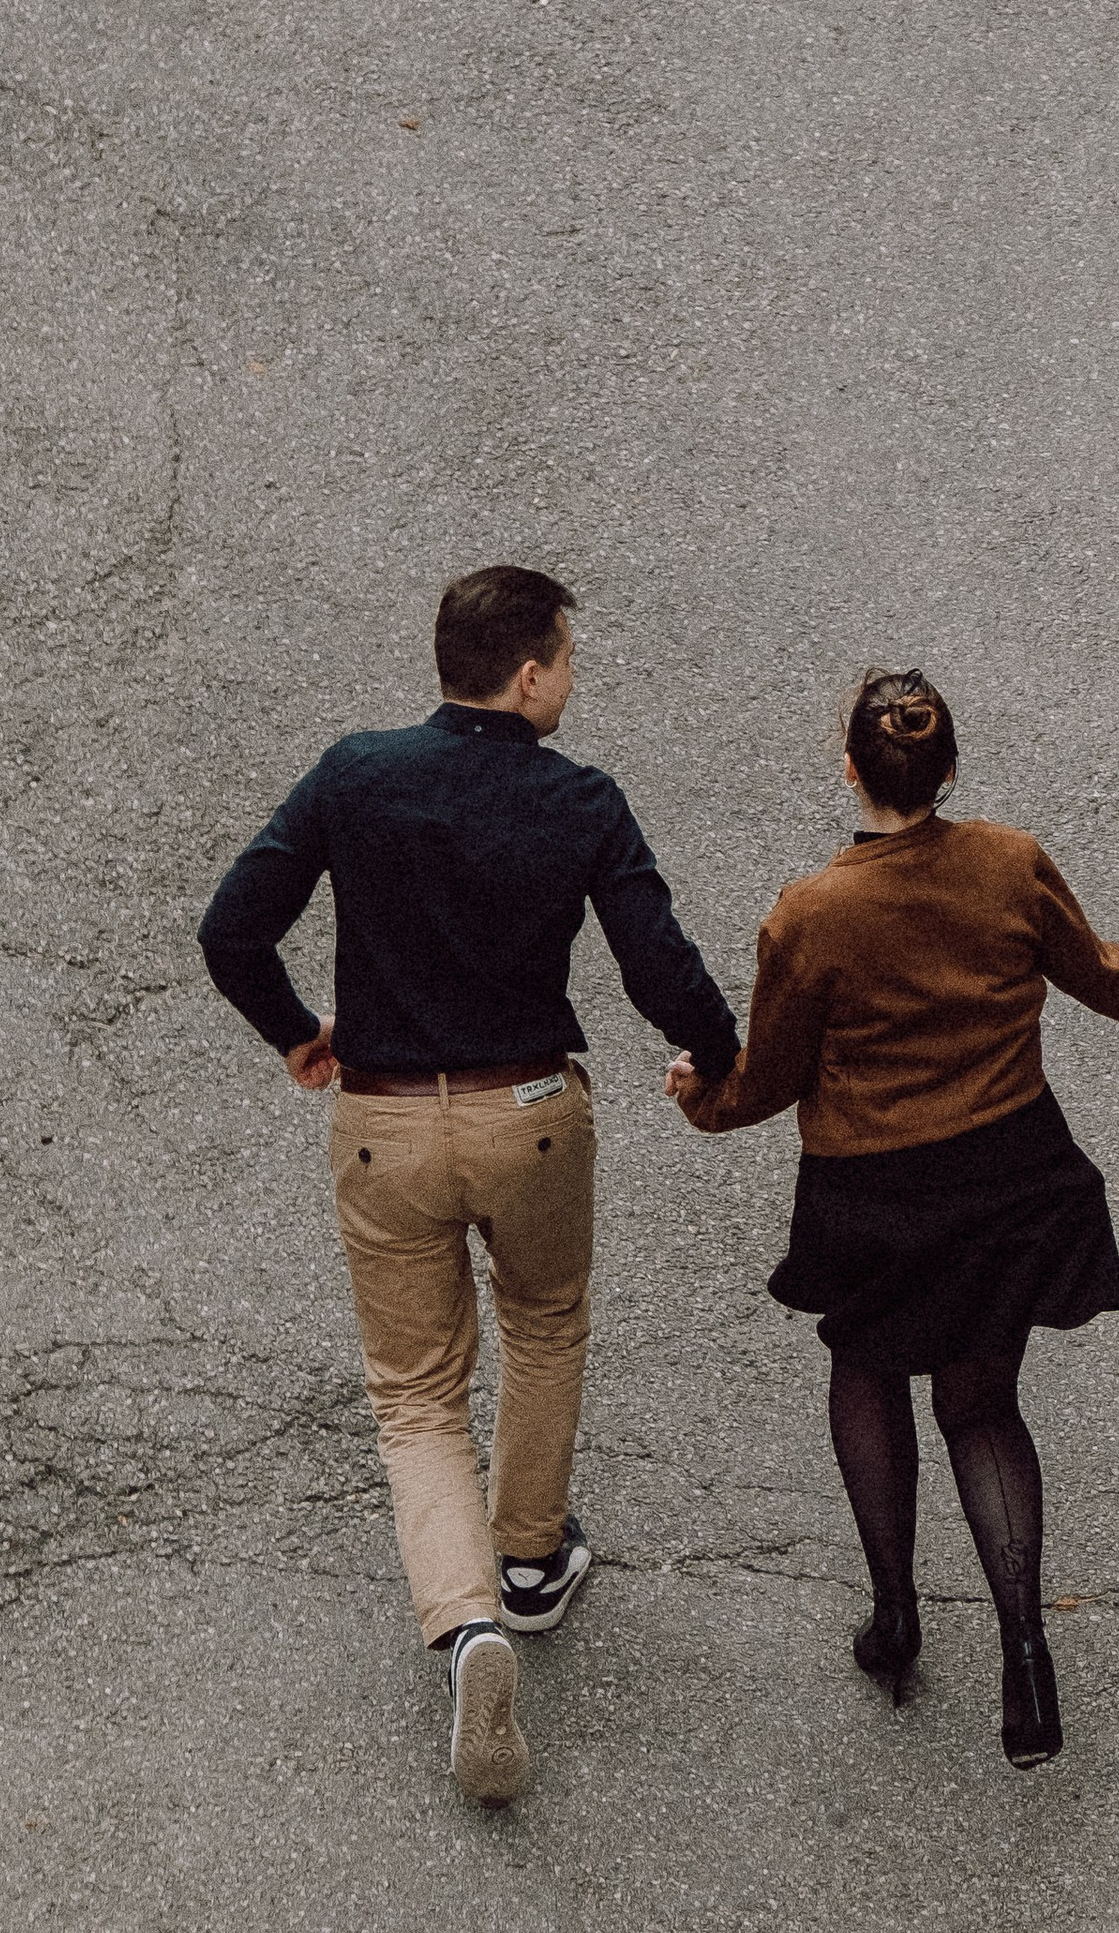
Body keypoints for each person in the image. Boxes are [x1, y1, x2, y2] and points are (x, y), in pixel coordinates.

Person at [199, 564, 741, 1804]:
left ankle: (465, 1627)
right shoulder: (581, 801)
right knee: (542, 1323)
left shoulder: (355, 773)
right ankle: (533, 1560)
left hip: (385, 1124)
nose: (571, 676)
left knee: (415, 1394)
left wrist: (296, 1031)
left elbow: (233, 927)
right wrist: (723, 1064)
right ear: (532, 672)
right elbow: (659, 965)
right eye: (567, 656)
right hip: (532, 1115)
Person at [666, 668, 1119, 1767]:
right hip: (1008, 1173)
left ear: (848, 769)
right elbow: (1099, 975)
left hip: (870, 1193)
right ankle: (1022, 1657)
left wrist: (703, 1102)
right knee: (980, 1405)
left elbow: (768, 1077)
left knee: (867, 1373)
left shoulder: (811, 914)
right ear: (950, 770)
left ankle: (895, 1617)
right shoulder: (1008, 863)